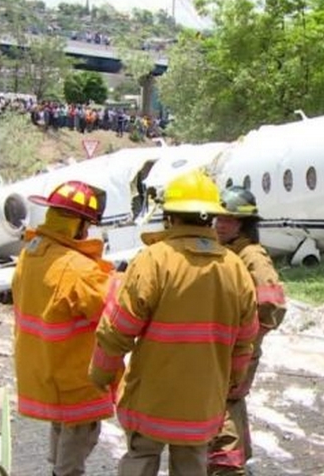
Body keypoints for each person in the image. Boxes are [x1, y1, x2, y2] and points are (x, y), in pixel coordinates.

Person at [89, 169, 258, 476]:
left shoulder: (153, 260)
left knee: (141, 458)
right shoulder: (234, 267)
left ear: (170, 217)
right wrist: (233, 378)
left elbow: (118, 329)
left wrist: (101, 372)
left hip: (151, 399)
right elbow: (246, 339)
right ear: (211, 219)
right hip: (202, 403)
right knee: (192, 463)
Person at [11, 180, 117, 476]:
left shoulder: (31, 254)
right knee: (79, 435)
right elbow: (112, 308)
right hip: (73, 374)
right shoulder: (77, 268)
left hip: (42, 364)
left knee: (61, 427)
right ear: (79, 224)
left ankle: (58, 469)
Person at [208, 187, 287, 476]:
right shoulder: (230, 252)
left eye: (227, 220)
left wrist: (249, 338)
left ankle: (228, 469)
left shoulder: (252, 256)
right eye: (218, 218)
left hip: (240, 348)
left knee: (224, 403)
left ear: (243, 224)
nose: (220, 224)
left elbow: (272, 304)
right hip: (229, 346)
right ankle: (240, 459)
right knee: (231, 401)